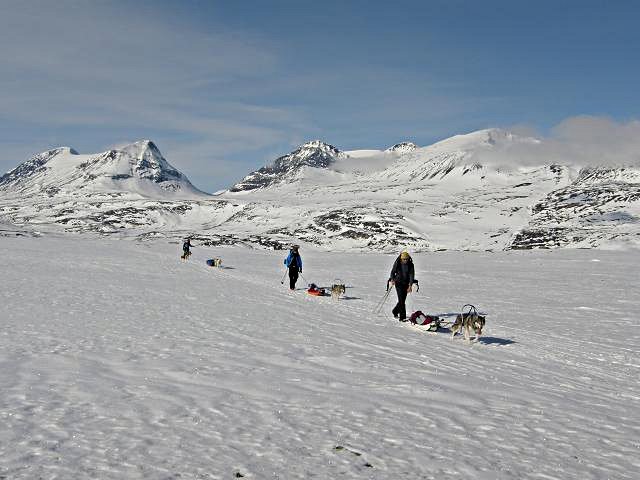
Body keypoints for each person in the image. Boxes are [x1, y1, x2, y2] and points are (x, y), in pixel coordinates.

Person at [388, 251, 415, 321]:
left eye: (406, 259)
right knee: (402, 301)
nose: (405, 260)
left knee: (402, 300)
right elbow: (392, 272)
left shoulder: (411, 265)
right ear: (401, 259)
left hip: (406, 284)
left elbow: (411, 276)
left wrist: (410, 286)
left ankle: (395, 311)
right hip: (398, 283)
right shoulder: (397, 263)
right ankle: (402, 317)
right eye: (404, 259)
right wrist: (393, 279)